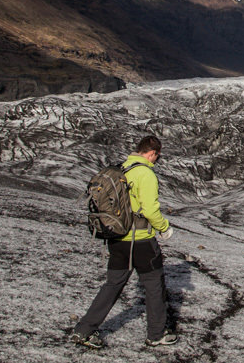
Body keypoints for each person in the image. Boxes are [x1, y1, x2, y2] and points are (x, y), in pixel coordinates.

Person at [71, 135, 177, 348]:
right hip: (141, 241)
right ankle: (156, 334)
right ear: (152, 153)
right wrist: (164, 228)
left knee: (113, 284)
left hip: (117, 238)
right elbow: (149, 209)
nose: (156, 160)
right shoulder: (145, 174)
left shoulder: (122, 168)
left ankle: (84, 330)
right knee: (154, 285)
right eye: (157, 156)